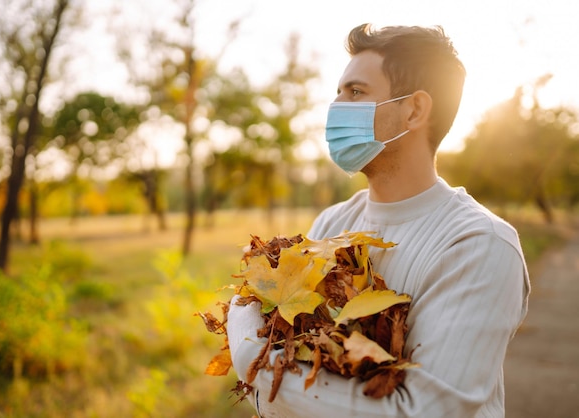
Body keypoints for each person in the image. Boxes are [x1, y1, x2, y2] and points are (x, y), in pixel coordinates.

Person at [226, 23, 530, 417]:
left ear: (414, 110)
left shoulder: (478, 245)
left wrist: (254, 360)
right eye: (337, 93)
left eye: (355, 93)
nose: (336, 108)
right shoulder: (332, 223)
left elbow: (421, 411)